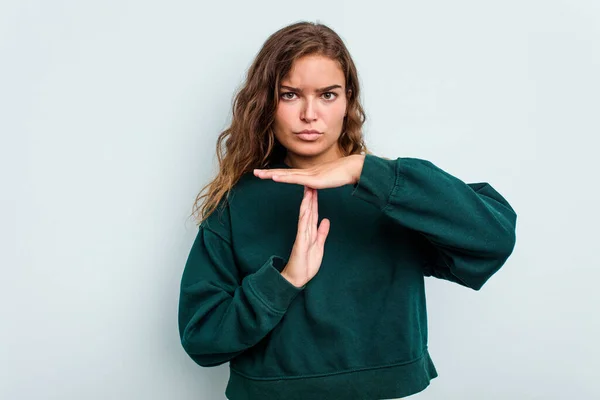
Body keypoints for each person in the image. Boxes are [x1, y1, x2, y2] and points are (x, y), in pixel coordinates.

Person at [178, 21, 517, 400]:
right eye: (289, 95)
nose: (310, 114)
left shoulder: (392, 192)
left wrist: (364, 170)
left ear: (348, 100)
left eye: (327, 94)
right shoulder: (237, 204)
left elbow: (494, 238)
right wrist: (284, 281)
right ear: (266, 103)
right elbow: (201, 338)